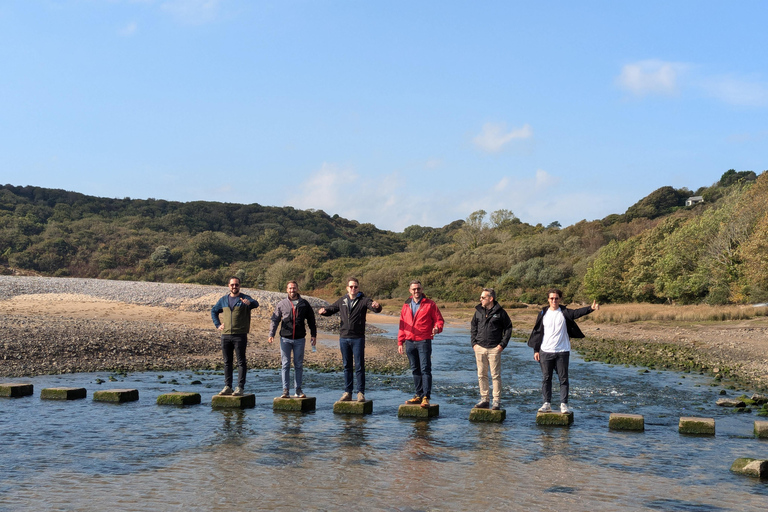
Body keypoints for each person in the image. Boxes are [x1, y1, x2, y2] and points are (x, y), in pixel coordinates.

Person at [527, 288, 599, 414]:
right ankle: (546, 403)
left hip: (562, 351)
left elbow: (578, 312)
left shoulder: (564, 312)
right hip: (545, 350)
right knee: (546, 378)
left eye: (556, 298)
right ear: (548, 299)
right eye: (551, 298)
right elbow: (538, 332)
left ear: (560, 299)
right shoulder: (543, 313)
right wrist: (536, 350)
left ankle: (563, 404)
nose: (554, 300)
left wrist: (591, 308)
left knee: (563, 379)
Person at [318, 277, 382, 402]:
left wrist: (377, 306)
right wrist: (323, 311)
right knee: (347, 366)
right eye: (351, 286)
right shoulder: (342, 300)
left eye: (355, 287)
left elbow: (374, 308)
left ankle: (360, 393)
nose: (353, 288)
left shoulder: (364, 300)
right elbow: (331, 309)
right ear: (347, 288)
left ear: (358, 288)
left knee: (359, 366)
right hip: (344, 338)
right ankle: (348, 392)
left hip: (358, 338)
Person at [398, 280, 444, 408]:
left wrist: (437, 328)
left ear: (421, 289)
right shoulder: (406, 305)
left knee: (425, 369)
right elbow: (402, 324)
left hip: (424, 340)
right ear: (410, 290)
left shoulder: (430, 304)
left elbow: (439, 321)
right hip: (409, 341)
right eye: (414, 289)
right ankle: (418, 395)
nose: (416, 291)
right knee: (415, 369)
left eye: (418, 289)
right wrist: (400, 342)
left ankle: (426, 397)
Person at [268, 281, 317, 399]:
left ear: (297, 288)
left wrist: (313, 335)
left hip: (300, 339)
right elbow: (275, 320)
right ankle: (285, 391)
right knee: (285, 364)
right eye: (290, 288)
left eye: (294, 288)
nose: (292, 290)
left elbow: (311, 320)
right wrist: (271, 334)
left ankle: (298, 390)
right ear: (287, 289)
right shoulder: (281, 304)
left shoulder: (304, 304)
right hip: (285, 339)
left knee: (298, 365)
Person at [211, 277, 259, 396]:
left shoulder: (244, 298)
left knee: (241, 362)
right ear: (228, 286)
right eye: (232, 285)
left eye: (236, 285)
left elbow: (256, 304)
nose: (234, 287)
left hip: (240, 335)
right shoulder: (223, 300)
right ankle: (228, 386)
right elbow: (214, 311)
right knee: (227, 362)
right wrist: (217, 325)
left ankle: (240, 387)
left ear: (239, 286)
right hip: (225, 335)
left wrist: (250, 303)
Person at [471, 288, 513, 411]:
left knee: (495, 375)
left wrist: (502, 345)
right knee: (481, 375)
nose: (480, 299)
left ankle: (496, 401)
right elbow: (473, 327)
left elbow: (509, 328)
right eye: (480, 297)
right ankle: (484, 399)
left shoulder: (501, 312)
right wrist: (474, 343)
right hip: (479, 347)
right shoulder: (478, 311)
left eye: (483, 297)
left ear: (491, 298)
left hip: (495, 348)